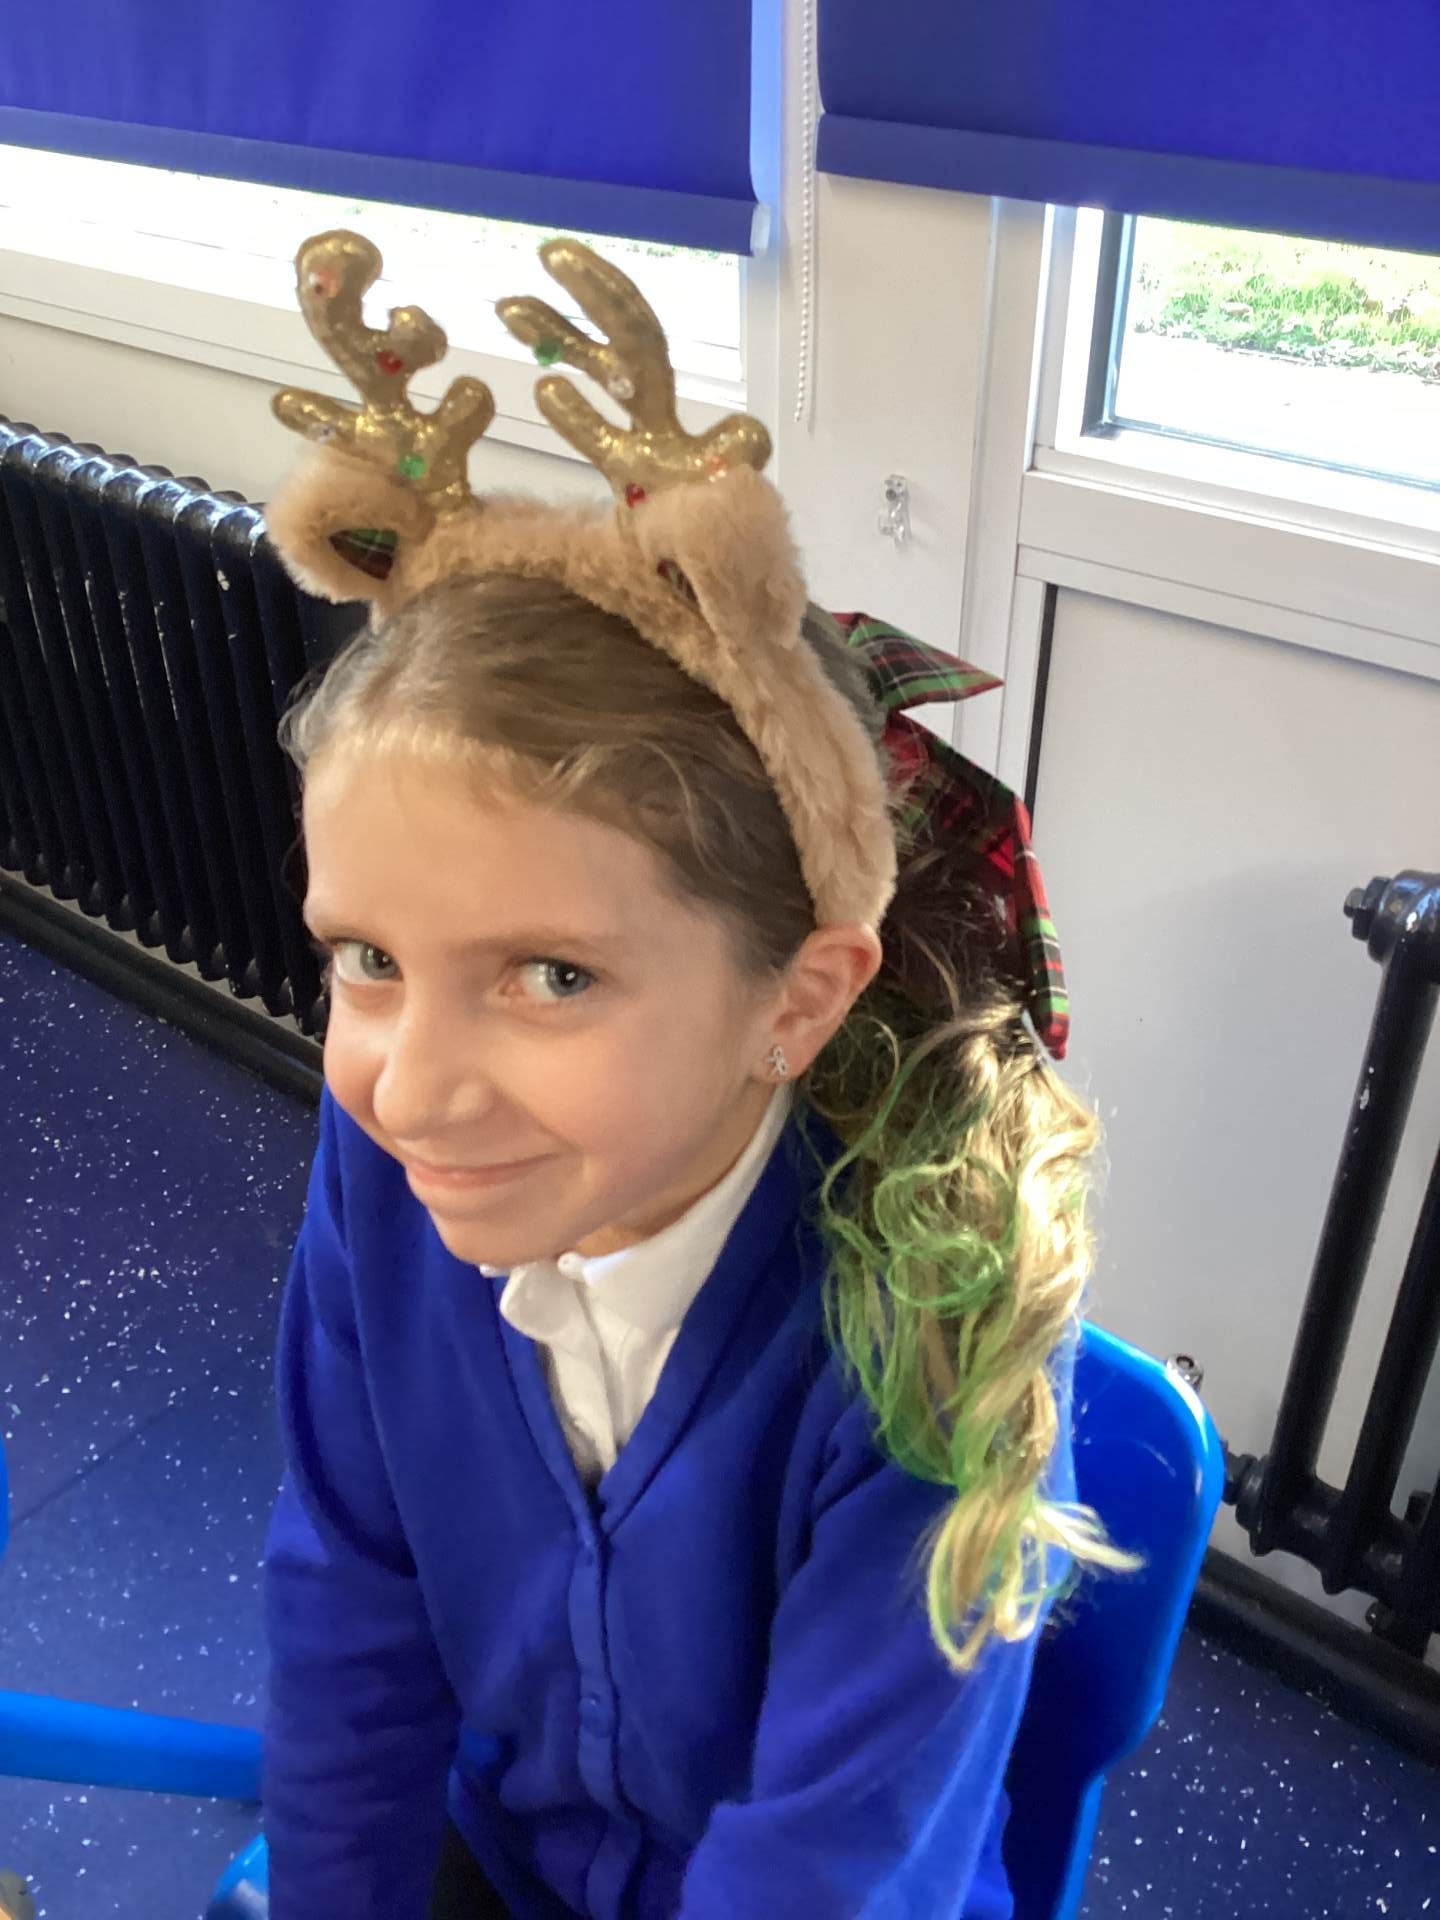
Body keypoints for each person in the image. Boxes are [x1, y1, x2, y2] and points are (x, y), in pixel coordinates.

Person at [258, 230, 1125, 1920]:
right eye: (367, 958)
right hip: (513, 1859)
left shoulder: (922, 1334)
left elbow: (833, 1867)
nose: (410, 1089)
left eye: (551, 976)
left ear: (796, 1001)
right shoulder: (390, 1175)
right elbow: (352, 1610)